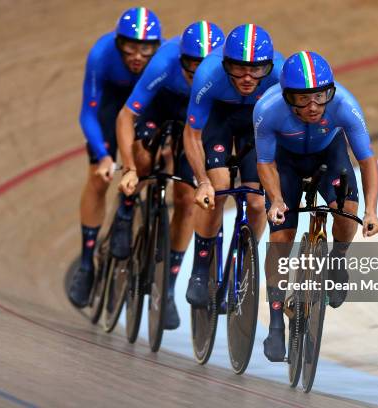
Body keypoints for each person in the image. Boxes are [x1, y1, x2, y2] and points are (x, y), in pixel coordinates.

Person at [254, 51, 378, 361]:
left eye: (320, 96)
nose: (313, 106)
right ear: (287, 97)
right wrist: (278, 201)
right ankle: (274, 323)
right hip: (286, 164)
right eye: (302, 99)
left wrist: (372, 210)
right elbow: (265, 163)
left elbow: (367, 161)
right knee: (281, 237)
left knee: (346, 209)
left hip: (330, 155)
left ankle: (337, 259)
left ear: (330, 91)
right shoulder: (267, 110)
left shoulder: (345, 106)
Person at [115, 21, 225, 329]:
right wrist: (130, 168)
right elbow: (127, 115)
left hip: (196, 120)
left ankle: (168, 289)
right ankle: (125, 212)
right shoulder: (163, 62)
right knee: (144, 159)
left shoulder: (222, 76)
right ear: (181, 60)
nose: (199, 72)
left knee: (188, 199)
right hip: (162, 108)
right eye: (192, 65)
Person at [68, 7, 162, 308]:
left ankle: (126, 207)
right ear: (118, 43)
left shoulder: (162, 63)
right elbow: (88, 113)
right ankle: (86, 263)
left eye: (145, 49)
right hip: (110, 107)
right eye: (130, 48)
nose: (137, 56)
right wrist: (103, 157)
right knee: (97, 178)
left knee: (146, 160)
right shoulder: (101, 55)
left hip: (143, 107)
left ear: (156, 48)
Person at [183, 24, 283, 307]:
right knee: (218, 190)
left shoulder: (280, 75)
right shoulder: (208, 73)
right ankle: (201, 271)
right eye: (239, 69)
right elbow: (192, 133)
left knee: (255, 202)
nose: (248, 77)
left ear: (269, 66)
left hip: (256, 126)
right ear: (226, 64)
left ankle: (244, 268)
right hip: (221, 120)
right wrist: (201, 180)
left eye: (256, 69)